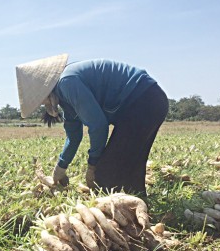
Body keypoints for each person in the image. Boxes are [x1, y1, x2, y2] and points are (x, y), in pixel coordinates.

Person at [16, 54, 168, 195]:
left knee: (107, 172)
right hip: (146, 102)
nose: (45, 105)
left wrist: (92, 165)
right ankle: (139, 207)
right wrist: (60, 168)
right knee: (126, 166)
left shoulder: (67, 83)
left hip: (144, 102)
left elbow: (98, 126)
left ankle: (132, 213)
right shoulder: (65, 93)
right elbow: (74, 136)